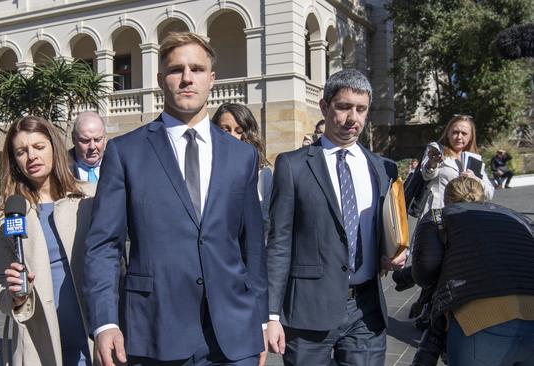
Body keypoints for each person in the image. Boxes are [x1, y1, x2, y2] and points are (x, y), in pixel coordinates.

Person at [84, 32, 268, 366]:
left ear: (211, 79)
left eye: (197, 69)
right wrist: (105, 321)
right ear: (159, 79)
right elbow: (104, 246)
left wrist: (262, 319)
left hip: (233, 333)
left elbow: (252, 245)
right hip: (156, 331)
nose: (187, 78)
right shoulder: (126, 153)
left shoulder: (242, 156)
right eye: (176, 69)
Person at [266, 69, 404, 365]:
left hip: (366, 311)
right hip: (307, 310)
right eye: (343, 107)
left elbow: (387, 228)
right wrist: (271, 315)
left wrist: (393, 253)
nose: (352, 118)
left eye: (361, 109)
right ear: (325, 106)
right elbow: (279, 243)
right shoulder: (293, 166)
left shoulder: (383, 169)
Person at [0, 115, 95, 365]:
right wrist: (13, 296)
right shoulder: (5, 214)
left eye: (39, 147)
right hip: (39, 342)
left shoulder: (90, 197)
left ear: (54, 148)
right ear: (14, 161)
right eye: (21, 151)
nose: (31, 157)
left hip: (92, 335)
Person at [411, 176, 534, 366]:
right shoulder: (515, 215)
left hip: (478, 319)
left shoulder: (437, 214)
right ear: (483, 196)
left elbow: (425, 270)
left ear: (446, 199)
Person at [212, 102, 273, 237]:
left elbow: (265, 222)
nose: (232, 136)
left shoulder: (263, 174)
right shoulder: (205, 168)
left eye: (239, 131)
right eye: (225, 130)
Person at [420, 115, 494, 217]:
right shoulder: (436, 150)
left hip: (467, 216)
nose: (459, 137)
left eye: (464, 133)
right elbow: (426, 175)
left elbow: (489, 193)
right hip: (438, 212)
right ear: (448, 134)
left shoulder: (475, 158)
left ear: (471, 136)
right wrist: (432, 164)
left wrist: (475, 179)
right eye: (455, 132)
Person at [69, 111, 107, 184]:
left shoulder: (117, 165)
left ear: (105, 139)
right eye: (85, 141)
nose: (92, 147)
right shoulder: (61, 167)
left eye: (97, 140)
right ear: (73, 139)